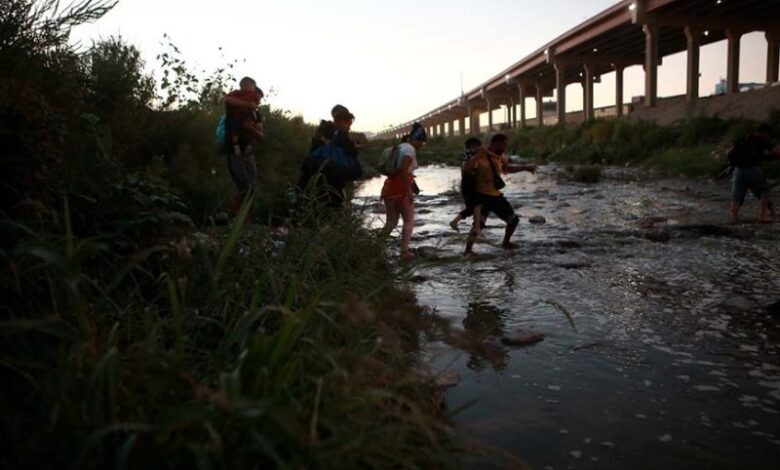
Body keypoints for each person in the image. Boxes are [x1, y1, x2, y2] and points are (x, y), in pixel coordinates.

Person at [463, 133, 535, 256]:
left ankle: (506, 243)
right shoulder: (479, 154)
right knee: (478, 224)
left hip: (495, 195)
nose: (506, 147)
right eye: (504, 144)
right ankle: (468, 251)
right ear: (497, 143)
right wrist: (479, 154)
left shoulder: (499, 157)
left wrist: (525, 168)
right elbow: (466, 168)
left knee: (513, 220)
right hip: (482, 196)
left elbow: (506, 170)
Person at [382, 123, 426, 261]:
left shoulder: (399, 147)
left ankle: (377, 245)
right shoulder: (410, 150)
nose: (422, 145)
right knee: (409, 220)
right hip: (400, 188)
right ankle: (404, 252)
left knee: (391, 222)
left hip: (389, 187)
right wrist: (408, 191)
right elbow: (403, 170)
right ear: (417, 140)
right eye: (422, 142)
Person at [223, 76, 264, 216]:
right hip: (235, 151)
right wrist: (248, 105)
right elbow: (226, 99)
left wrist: (251, 129)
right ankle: (234, 217)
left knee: (251, 185)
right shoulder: (234, 104)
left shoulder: (256, 113)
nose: (258, 101)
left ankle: (244, 217)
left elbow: (261, 135)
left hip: (248, 152)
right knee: (243, 186)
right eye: (256, 96)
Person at [729, 123, 780, 224]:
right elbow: (776, 152)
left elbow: (730, 151)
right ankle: (762, 217)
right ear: (766, 133)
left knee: (737, 196)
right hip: (753, 169)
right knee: (764, 190)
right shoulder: (763, 140)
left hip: (738, 170)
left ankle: (734, 219)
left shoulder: (745, 137)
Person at [449, 137, 486, 231]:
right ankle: (476, 226)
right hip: (471, 182)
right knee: (477, 205)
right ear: (473, 146)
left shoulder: (466, 154)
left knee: (472, 208)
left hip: (466, 182)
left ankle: (456, 222)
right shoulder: (471, 153)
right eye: (478, 146)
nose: (480, 148)